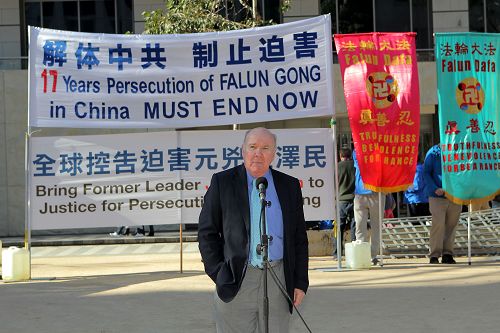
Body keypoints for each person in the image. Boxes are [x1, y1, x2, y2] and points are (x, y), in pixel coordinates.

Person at [198, 127, 309, 332]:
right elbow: (207, 232)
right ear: (243, 150)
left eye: (265, 148)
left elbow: (299, 238)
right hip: (237, 278)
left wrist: (300, 281)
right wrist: (219, 273)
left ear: (274, 153)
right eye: (252, 147)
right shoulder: (222, 182)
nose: (258, 153)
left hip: (279, 277)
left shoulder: (289, 185)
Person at [423, 144, 462, 264]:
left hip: (455, 195)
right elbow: (426, 173)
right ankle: (434, 254)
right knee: (438, 224)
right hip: (437, 196)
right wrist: (435, 188)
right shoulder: (434, 152)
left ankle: (447, 254)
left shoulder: (459, 149)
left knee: (452, 225)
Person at [352, 150, 386, 265]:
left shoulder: (381, 150)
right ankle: (363, 254)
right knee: (360, 225)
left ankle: (373, 255)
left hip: (377, 193)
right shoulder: (358, 150)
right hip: (361, 194)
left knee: (376, 227)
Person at [333, 147, 356, 258]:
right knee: (354, 226)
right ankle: (354, 251)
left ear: (340, 155)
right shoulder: (355, 166)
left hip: (341, 200)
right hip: (355, 199)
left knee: (339, 227)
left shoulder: (337, 167)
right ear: (350, 155)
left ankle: (337, 253)